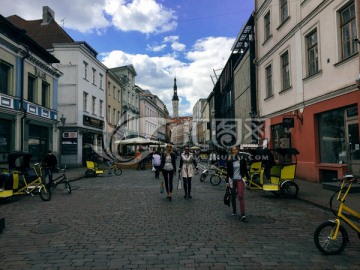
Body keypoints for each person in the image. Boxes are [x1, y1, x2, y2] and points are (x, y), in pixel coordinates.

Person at [226, 146, 250, 221]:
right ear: (232, 151)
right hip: (232, 180)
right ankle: (234, 210)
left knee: (240, 196)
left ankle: (243, 213)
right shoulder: (229, 160)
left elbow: (245, 169)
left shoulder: (242, 159)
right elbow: (228, 171)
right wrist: (227, 181)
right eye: (233, 150)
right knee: (233, 196)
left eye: (236, 149)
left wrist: (248, 178)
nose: (235, 151)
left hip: (240, 179)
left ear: (238, 150)